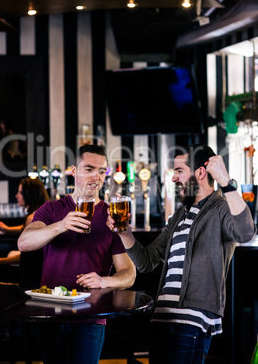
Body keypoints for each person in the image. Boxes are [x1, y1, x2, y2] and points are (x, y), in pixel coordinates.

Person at [107, 143, 257, 364]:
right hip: (161, 321)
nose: (174, 178)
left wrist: (225, 182)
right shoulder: (179, 215)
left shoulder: (221, 208)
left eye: (179, 171)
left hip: (191, 323)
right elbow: (147, 262)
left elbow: (246, 232)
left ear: (200, 173)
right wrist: (125, 234)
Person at [17, 144, 136, 364]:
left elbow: (129, 273)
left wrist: (104, 281)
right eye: (89, 169)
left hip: (91, 318)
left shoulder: (112, 215)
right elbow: (24, 243)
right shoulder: (52, 210)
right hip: (50, 314)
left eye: (101, 171)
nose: (96, 177)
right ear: (74, 171)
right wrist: (60, 226)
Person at [0, 177, 50, 287]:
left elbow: (26, 257)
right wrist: (7, 229)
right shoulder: (43, 212)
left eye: (20, 192)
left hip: (33, 274)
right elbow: (26, 229)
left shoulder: (32, 218)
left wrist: (1, 261)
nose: (16, 196)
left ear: (29, 194)